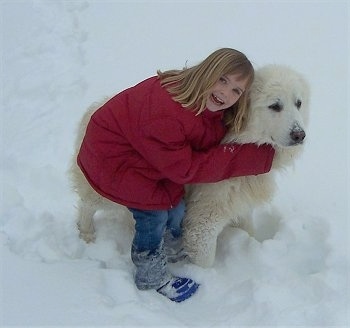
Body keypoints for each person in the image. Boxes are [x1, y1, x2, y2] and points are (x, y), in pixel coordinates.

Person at [77, 48, 275, 302]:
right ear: (207, 72)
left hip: (148, 158)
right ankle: (150, 274)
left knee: (177, 207)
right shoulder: (168, 112)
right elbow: (185, 169)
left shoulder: (199, 100)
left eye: (236, 90)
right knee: (155, 215)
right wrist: (247, 158)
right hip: (114, 162)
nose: (226, 93)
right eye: (222, 80)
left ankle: (170, 245)